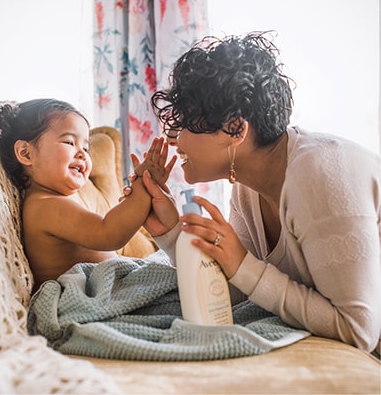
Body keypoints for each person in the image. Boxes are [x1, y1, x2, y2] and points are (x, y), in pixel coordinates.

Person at [125, 32, 381, 354]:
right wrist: (172, 233)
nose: (174, 139)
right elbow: (237, 288)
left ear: (235, 128)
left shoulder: (322, 174)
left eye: (185, 123)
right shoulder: (247, 188)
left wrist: (242, 263)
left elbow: (359, 331)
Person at [0, 99, 176, 291]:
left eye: (86, 148)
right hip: (88, 296)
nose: (82, 154)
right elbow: (110, 233)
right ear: (26, 154)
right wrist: (143, 187)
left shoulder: (57, 199)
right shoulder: (45, 205)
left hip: (108, 286)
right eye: (69, 142)